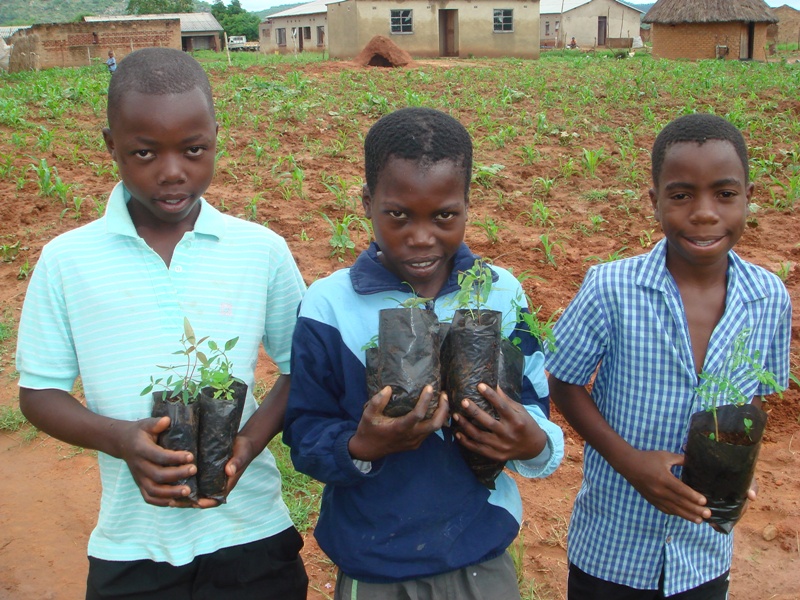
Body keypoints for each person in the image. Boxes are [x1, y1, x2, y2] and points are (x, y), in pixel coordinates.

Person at [16, 47, 308, 599]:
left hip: (251, 536)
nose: (173, 172)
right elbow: (40, 393)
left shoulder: (260, 251)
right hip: (133, 547)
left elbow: (302, 369)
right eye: (144, 153)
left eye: (194, 150)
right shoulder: (67, 260)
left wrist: (245, 443)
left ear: (216, 137)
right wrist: (121, 438)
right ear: (112, 147)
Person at [284, 107, 564, 599]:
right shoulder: (329, 304)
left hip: (481, 554)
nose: (420, 236)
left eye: (443, 216)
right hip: (373, 559)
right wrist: (362, 446)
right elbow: (305, 431)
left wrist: (531, 442)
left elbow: (535, 405)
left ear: (467, 206)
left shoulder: (500, 294)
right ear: (367, 202)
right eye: (397, 215)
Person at [545, 113, 791, 599]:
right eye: (681, 195)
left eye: (725, 194)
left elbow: (755, 400)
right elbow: (564, 383)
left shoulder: (769, 297)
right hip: (612, 546)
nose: (703, 213)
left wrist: (736, 469)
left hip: (703, 550)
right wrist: (631, 463)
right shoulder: (610, 287)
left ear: (748, 197)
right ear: (654, 201)